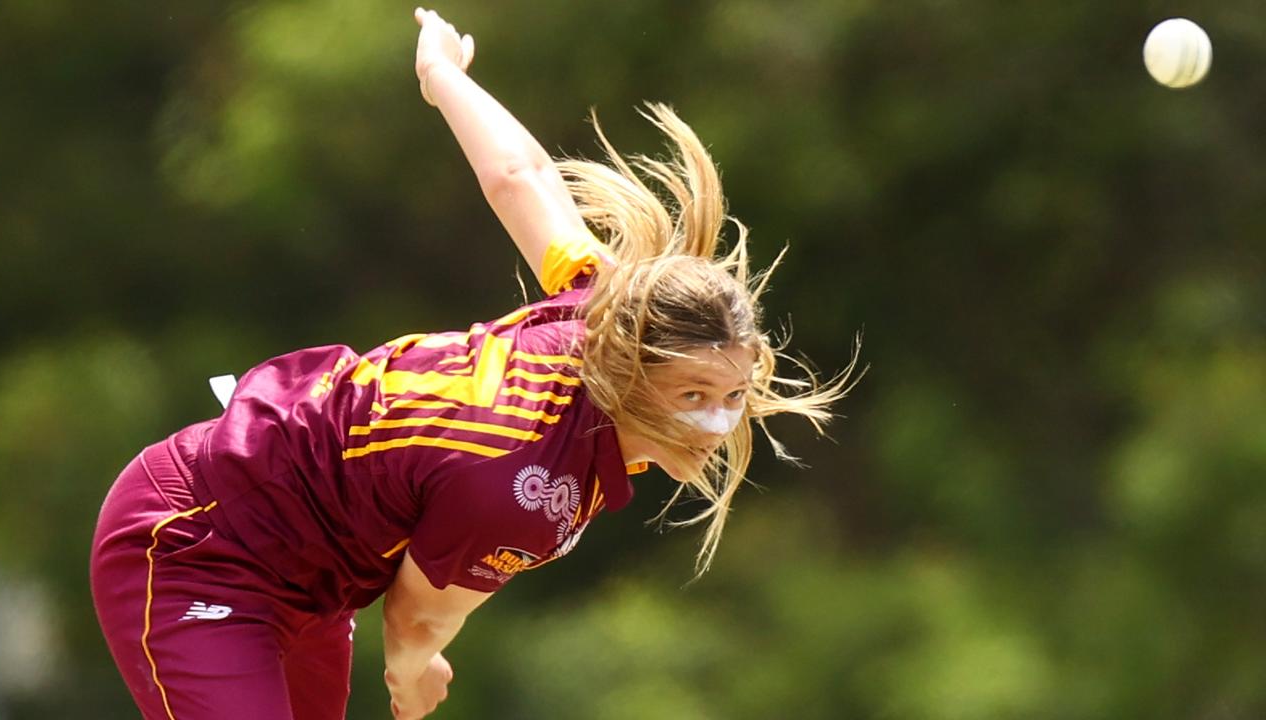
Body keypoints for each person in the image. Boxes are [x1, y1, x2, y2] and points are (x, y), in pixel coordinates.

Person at [90, 7, 860, 720]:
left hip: (311, 579)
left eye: (730, 393)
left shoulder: (595, 306)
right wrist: (413, 672)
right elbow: (417, 617)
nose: (717, 422)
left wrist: (445, 79)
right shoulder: (522, 484)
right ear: (628, 372)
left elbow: (519, 178)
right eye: (693, 393)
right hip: (199, 542)